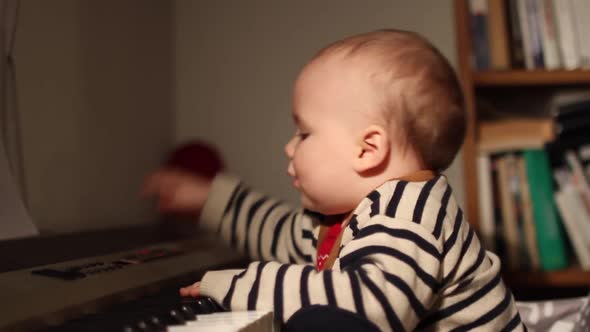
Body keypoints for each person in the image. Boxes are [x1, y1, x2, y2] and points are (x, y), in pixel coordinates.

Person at [143, 29, 525, 331]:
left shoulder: (410, 213)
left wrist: (242, 284)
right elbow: (280, 233)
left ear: (368, 148)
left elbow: (372, 307)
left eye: (304, 134)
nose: (289, 148)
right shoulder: (343, 218)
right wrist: (209, 198)